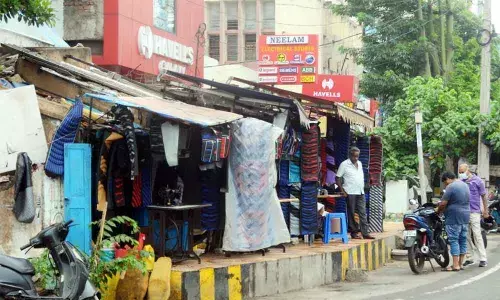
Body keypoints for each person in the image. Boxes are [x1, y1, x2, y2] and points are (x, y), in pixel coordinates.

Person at [336, 147, 375, 240]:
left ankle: (365, 233)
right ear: (350, 155)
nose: (356, 158)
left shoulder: (360, 163)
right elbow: (337, 178)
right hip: (350, 192)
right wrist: (342, 191)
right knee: (352, 213)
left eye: (357, 156)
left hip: (360, 191)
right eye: (354, 156)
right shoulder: (344, 164)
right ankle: (354, 233)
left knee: (363, 212)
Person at [438, 171, 471, 272]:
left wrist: (438, 211)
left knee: (454, 240)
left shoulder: (451, 187)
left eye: (445, 182)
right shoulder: (465, 185)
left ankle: (455, 265)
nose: (446, 185)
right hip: (465, 215)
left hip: (454, 216)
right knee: (462, 240)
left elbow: (443, 203)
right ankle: (460, 264)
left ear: (448, 178)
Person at [458, 164, 488, 267]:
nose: (461, 174)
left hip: (475, 211)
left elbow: (484, 196)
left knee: (477, 234)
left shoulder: (478, 181)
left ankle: (483, 258)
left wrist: (485, 211)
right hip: (463, 212)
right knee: (465, 236)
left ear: (468, 170)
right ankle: (470, 258)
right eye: (460, 172)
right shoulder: (460, 182)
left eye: (462, 172)